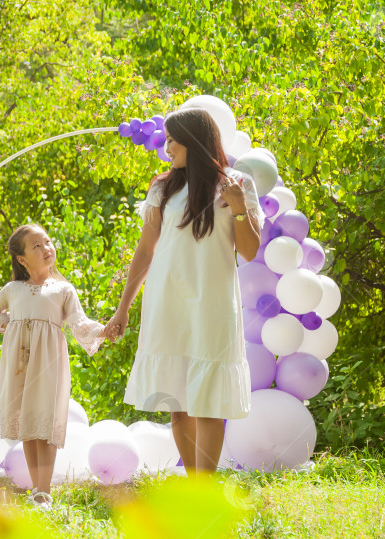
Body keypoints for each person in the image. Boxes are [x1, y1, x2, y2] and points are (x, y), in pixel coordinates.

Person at [104, 107, 264, 475]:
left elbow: (251, 251)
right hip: (167, 299)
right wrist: (122, 307)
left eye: (174, 139)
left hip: (213, 302)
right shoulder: (162, 186)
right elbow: (146, 250)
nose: (167, 146)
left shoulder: (237, 183)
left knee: (207, 400)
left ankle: (204, 488)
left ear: (194, 141)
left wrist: (239, 207)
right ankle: (193, 483)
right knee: (180, 399)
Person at [0, 224, 106, 507]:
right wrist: (9, 323)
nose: (46, 248)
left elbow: (79, 323)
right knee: (28, 423)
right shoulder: (13, 289)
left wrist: (103, 330)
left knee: (46, 421)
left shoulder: (63, 289)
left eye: (47, 242)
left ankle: (43, 490)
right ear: (22, 260)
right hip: (18, 362)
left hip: (49, 362)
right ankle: (37, 490)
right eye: (36, 246)